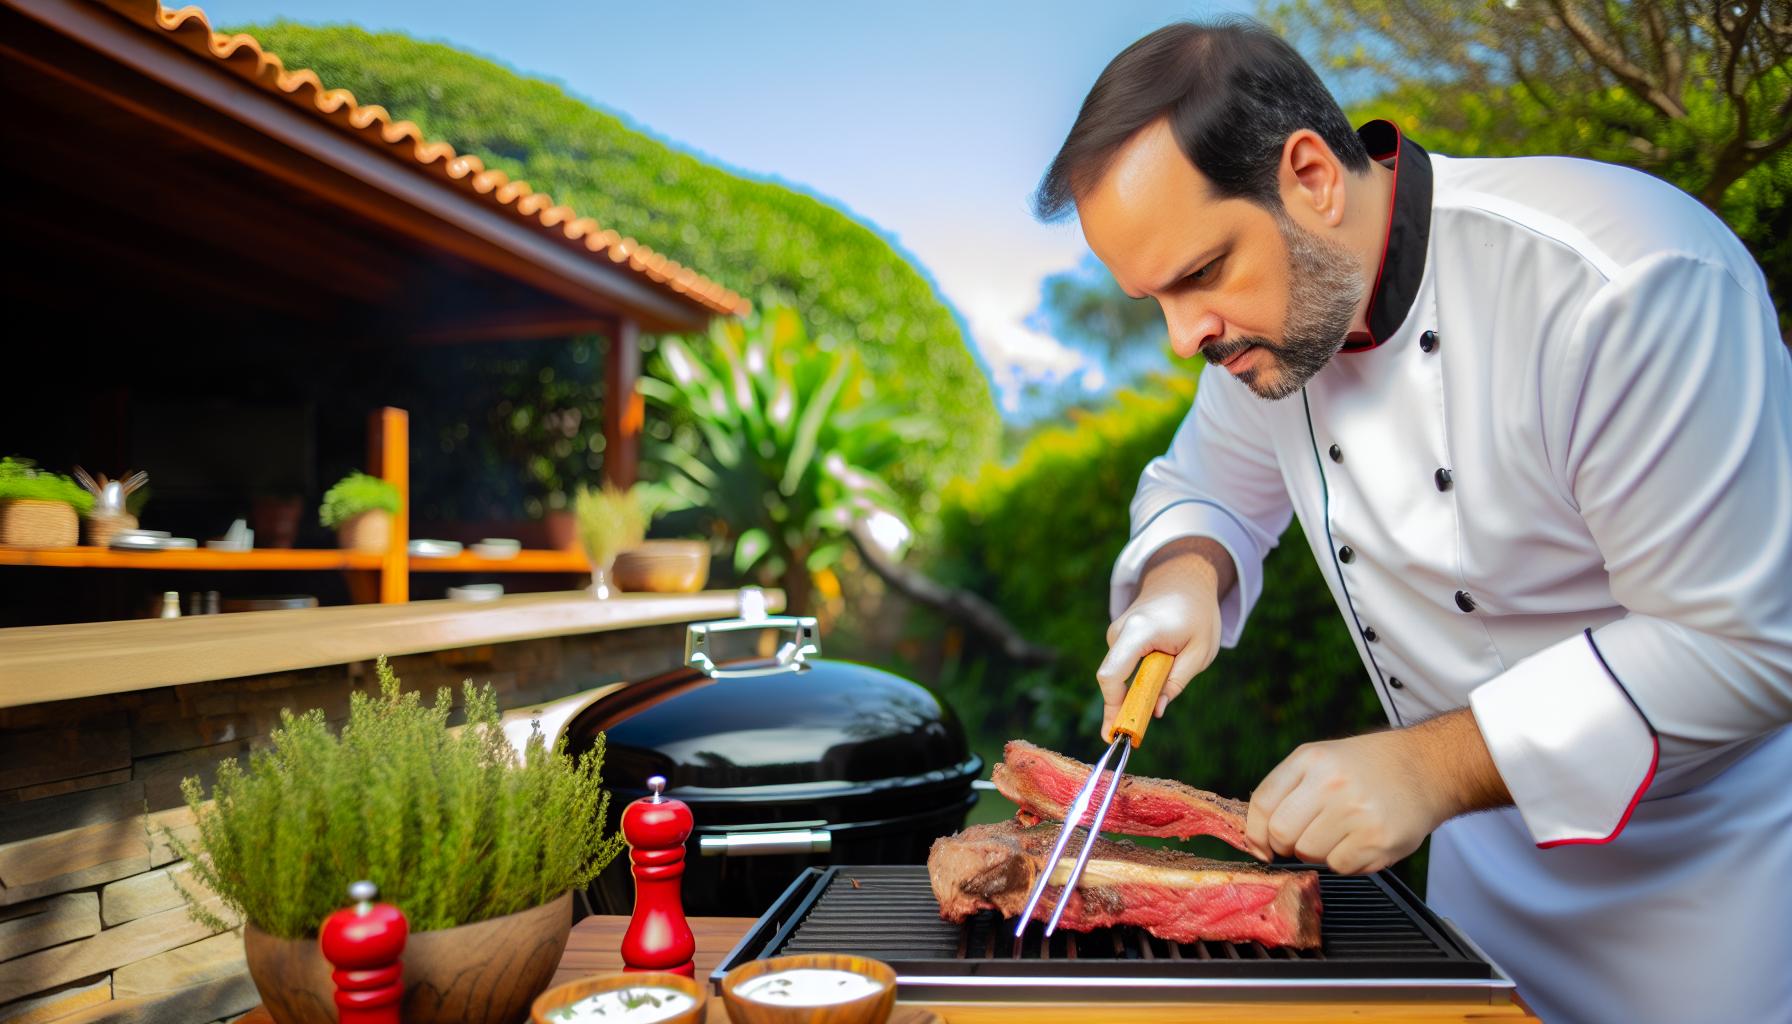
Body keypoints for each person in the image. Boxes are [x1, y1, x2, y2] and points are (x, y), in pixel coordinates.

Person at [1036, 20, 1792, 1024]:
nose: (1183, 338)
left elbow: (1745, 641)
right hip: (1482, 889)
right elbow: (1203, 487)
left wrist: (1427, 766)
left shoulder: (1622, 283)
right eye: (1153, 300)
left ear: (1308, 175)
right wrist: (1183, 581)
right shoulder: (1271, 331)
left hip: (1714, 895)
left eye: (1200, 272)